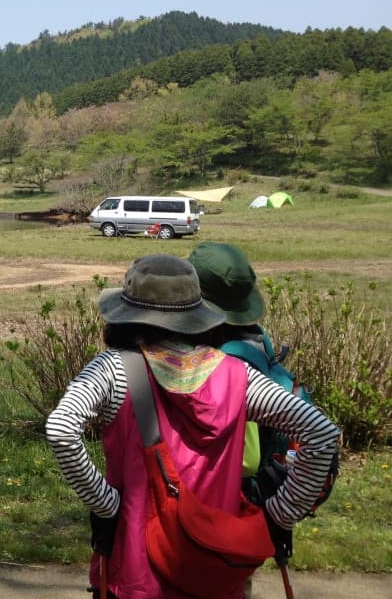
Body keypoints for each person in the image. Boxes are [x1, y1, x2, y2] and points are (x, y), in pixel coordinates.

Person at [45, 254, 340, 599]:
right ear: (196, 313)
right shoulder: (236, 375)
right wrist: (281, 513)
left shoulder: (113, 370)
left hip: (134, 574)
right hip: (214, 568)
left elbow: (61, 428)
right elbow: (321, 433)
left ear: (125, 314)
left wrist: (107, 504)